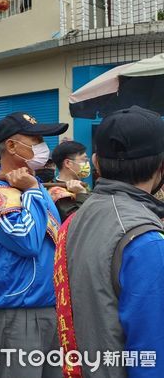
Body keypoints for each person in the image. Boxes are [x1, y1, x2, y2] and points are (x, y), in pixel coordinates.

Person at [56, 106, 164, 377]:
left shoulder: (80, 215)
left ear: (95, 162)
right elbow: (151, 355)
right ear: (161, 167)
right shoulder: (146, 240)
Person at [0, 112, 67, 378]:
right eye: (35, 139)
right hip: (17, 312)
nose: (42, 147)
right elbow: (26, 240)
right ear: (11, 146)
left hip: (49, 305)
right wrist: (34, 191)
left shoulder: (32, 186)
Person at [49, 141, 90, 221]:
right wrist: (81, 194)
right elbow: (77, 222)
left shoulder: (80, 186)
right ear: (68, 163)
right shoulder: (58, 193)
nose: (87, 164)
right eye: (83, 160)